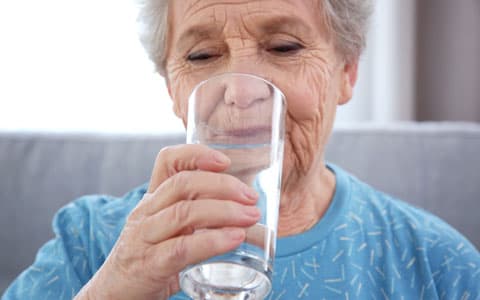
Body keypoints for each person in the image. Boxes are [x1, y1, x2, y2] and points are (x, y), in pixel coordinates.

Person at [3, 0, 480, 299]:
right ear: (172, 88)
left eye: (285, 47)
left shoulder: (438, 264)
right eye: (202, 56)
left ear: (347, 73)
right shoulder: (90, 241)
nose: (240, 90)